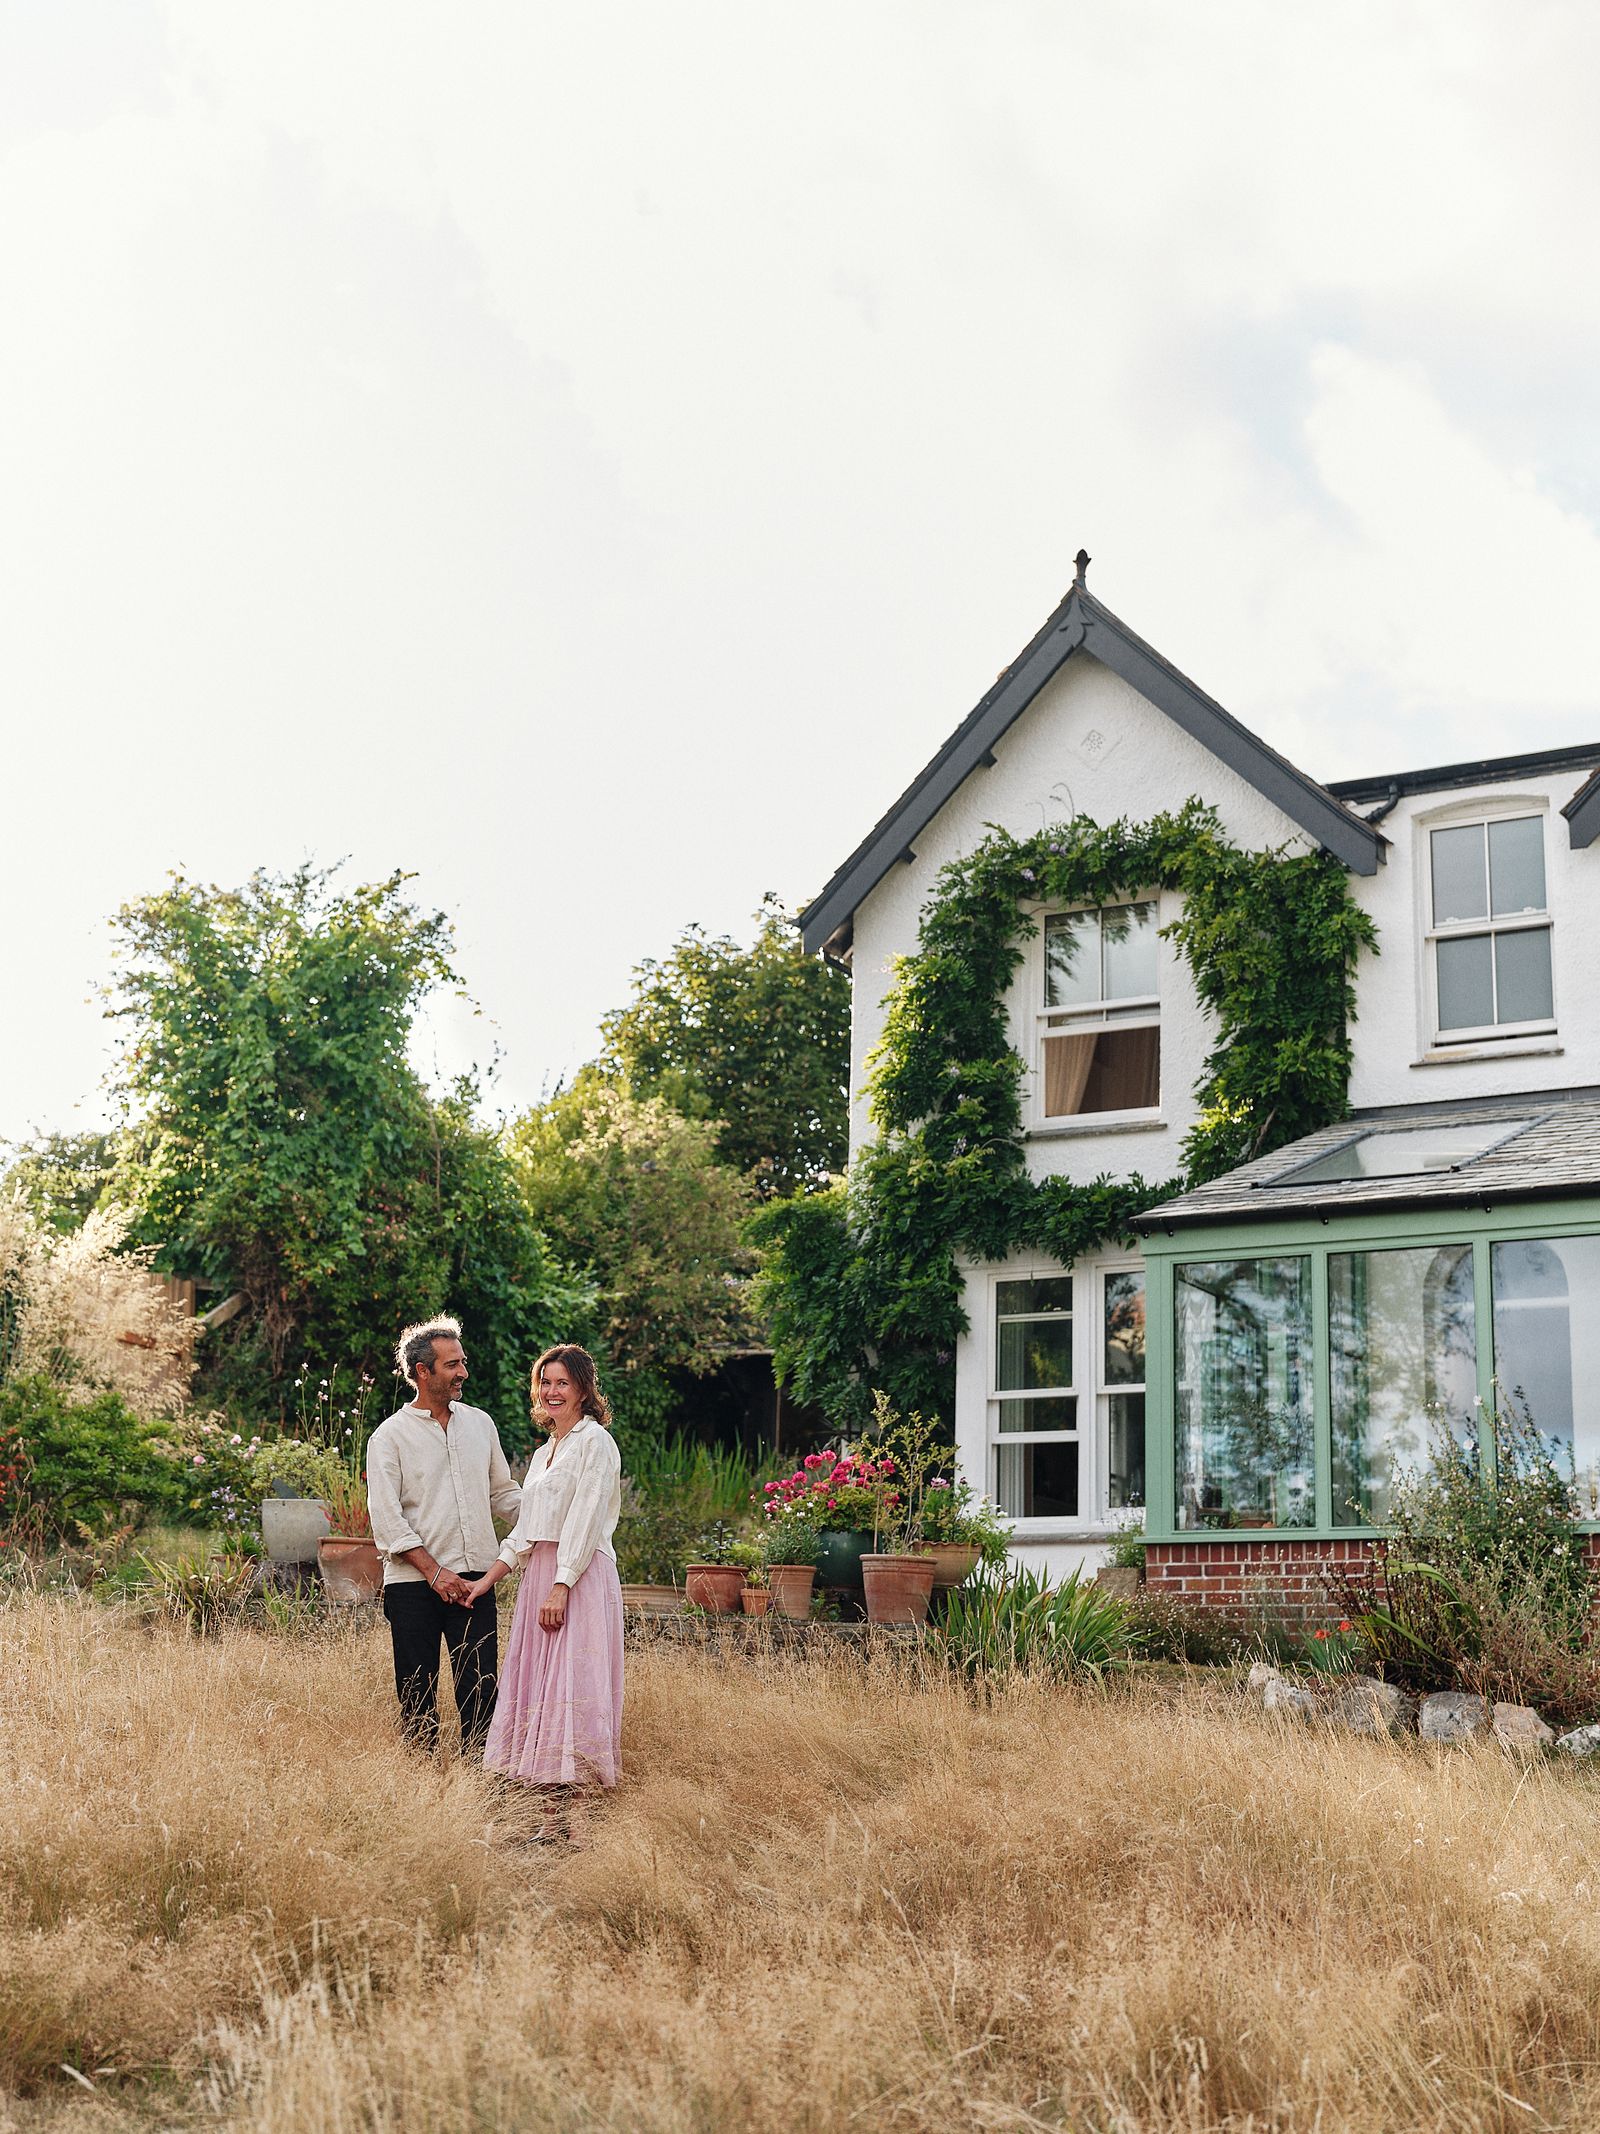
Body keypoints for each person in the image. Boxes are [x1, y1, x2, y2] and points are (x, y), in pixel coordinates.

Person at [465, 1344, 624, 1822]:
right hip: (541, 1577)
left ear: (582, 1389)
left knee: (574, 1683)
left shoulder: (594, 1442)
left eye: (563, 1383)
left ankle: (580, 1818)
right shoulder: (542, 1455)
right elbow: (525, 1532)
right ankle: (546, 1814)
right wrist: (486, 1580)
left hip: (579, 1577)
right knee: (541, 1686)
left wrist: (563, 1584)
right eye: (546, 1383)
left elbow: (586, 1517)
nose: (552, 1392)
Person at [366, 1315, 522, 1754]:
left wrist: (553, 1517)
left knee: (481, 1692)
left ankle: (482, 1791)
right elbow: (388, 1521)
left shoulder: (480, 1424)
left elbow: (504, 1494)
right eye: (452, 1365)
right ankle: (425, 1796)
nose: (463, 1373)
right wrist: (436, 1574)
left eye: (462, 1362)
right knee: (416, 1695)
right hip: (413, 1584)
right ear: (422, 1371)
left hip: (475, 1583)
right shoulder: (388, 1438)